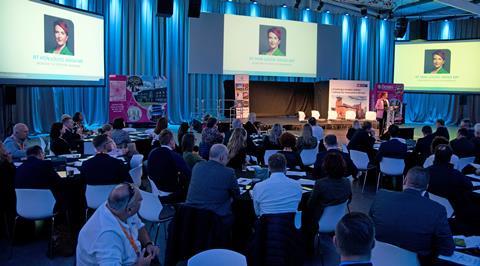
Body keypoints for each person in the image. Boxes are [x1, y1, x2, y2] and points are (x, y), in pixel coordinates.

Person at [369, 167, 454, 263]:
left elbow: (368, 228)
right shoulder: (438, 210)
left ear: (404, 180)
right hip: (413, 262)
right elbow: (448, 249)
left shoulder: (381, 196)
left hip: (377, 259)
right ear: (426, 187)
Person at [76, 183, 160, 265]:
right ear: (129, 209)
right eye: (140, 200)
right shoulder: (107, 237)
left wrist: (148, 244)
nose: (142, 200)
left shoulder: (119, 207)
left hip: (133, 256)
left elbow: (139, 226)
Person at [302, 152, 352, 255]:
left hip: (319, 220)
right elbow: (349, 199)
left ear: (325, 166)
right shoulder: (347, 182)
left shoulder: (321, 184)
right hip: (338, 219)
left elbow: (310, 205)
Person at [426, 145, 478, 234]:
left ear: (435, 156)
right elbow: (469, 186)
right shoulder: (456, 175)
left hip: (430, 207)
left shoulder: (426, 172)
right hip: (453, 210)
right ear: (450, 158)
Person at [186, 144, 240, 224]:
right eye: (227, 157)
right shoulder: (229, 172)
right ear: (222, 158)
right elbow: (237, 194)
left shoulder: (197, 166)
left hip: (190, 215)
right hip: (215, 217)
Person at [147, 129, 191, 203]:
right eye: (173, 140)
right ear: (171, 141)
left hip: (155, 188)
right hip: (170, 191)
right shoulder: (174, 156)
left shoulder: (152, 153)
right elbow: (188, 173)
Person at [0, 142, 16, 221]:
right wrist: (9, 162)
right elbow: (12, 177)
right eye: (3, 147)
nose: (5, 148)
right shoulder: (3, 164)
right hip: (6, 199)